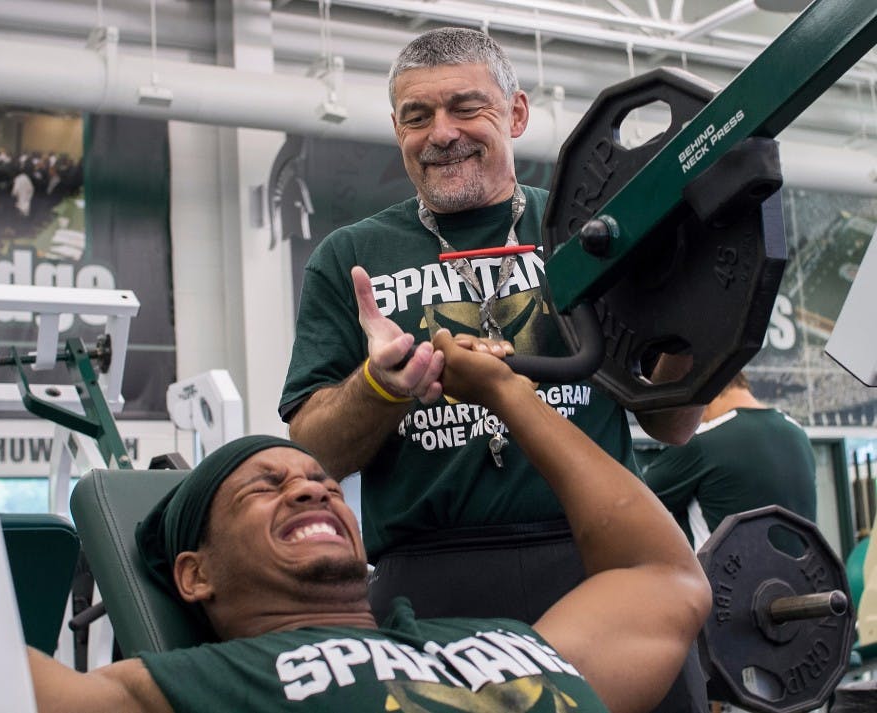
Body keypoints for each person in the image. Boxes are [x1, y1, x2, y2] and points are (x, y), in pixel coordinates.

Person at [278, 27, 706, 711]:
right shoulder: (350, 255)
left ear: (516, 113)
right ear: (397, 131)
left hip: (600, 564)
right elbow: (313, 452)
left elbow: (673, 420)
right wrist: (381, 385)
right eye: (416, 117)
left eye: (465, 108)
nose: (440, 133)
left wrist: (687, 294)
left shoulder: (593, 231)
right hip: (429, 585)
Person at [28, 330, 711, 713]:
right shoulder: (202, 686)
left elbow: (664, 577)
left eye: (326, 483)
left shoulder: (506, 643)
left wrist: (506, 392)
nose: (310, 490)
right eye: (264, 488)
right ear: (195, 572)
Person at [643, 371, 817, 551]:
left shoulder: (704, 440)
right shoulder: (798, 434)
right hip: (796, 577)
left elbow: (633, 499)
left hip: (720, 577)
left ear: (704, 391)